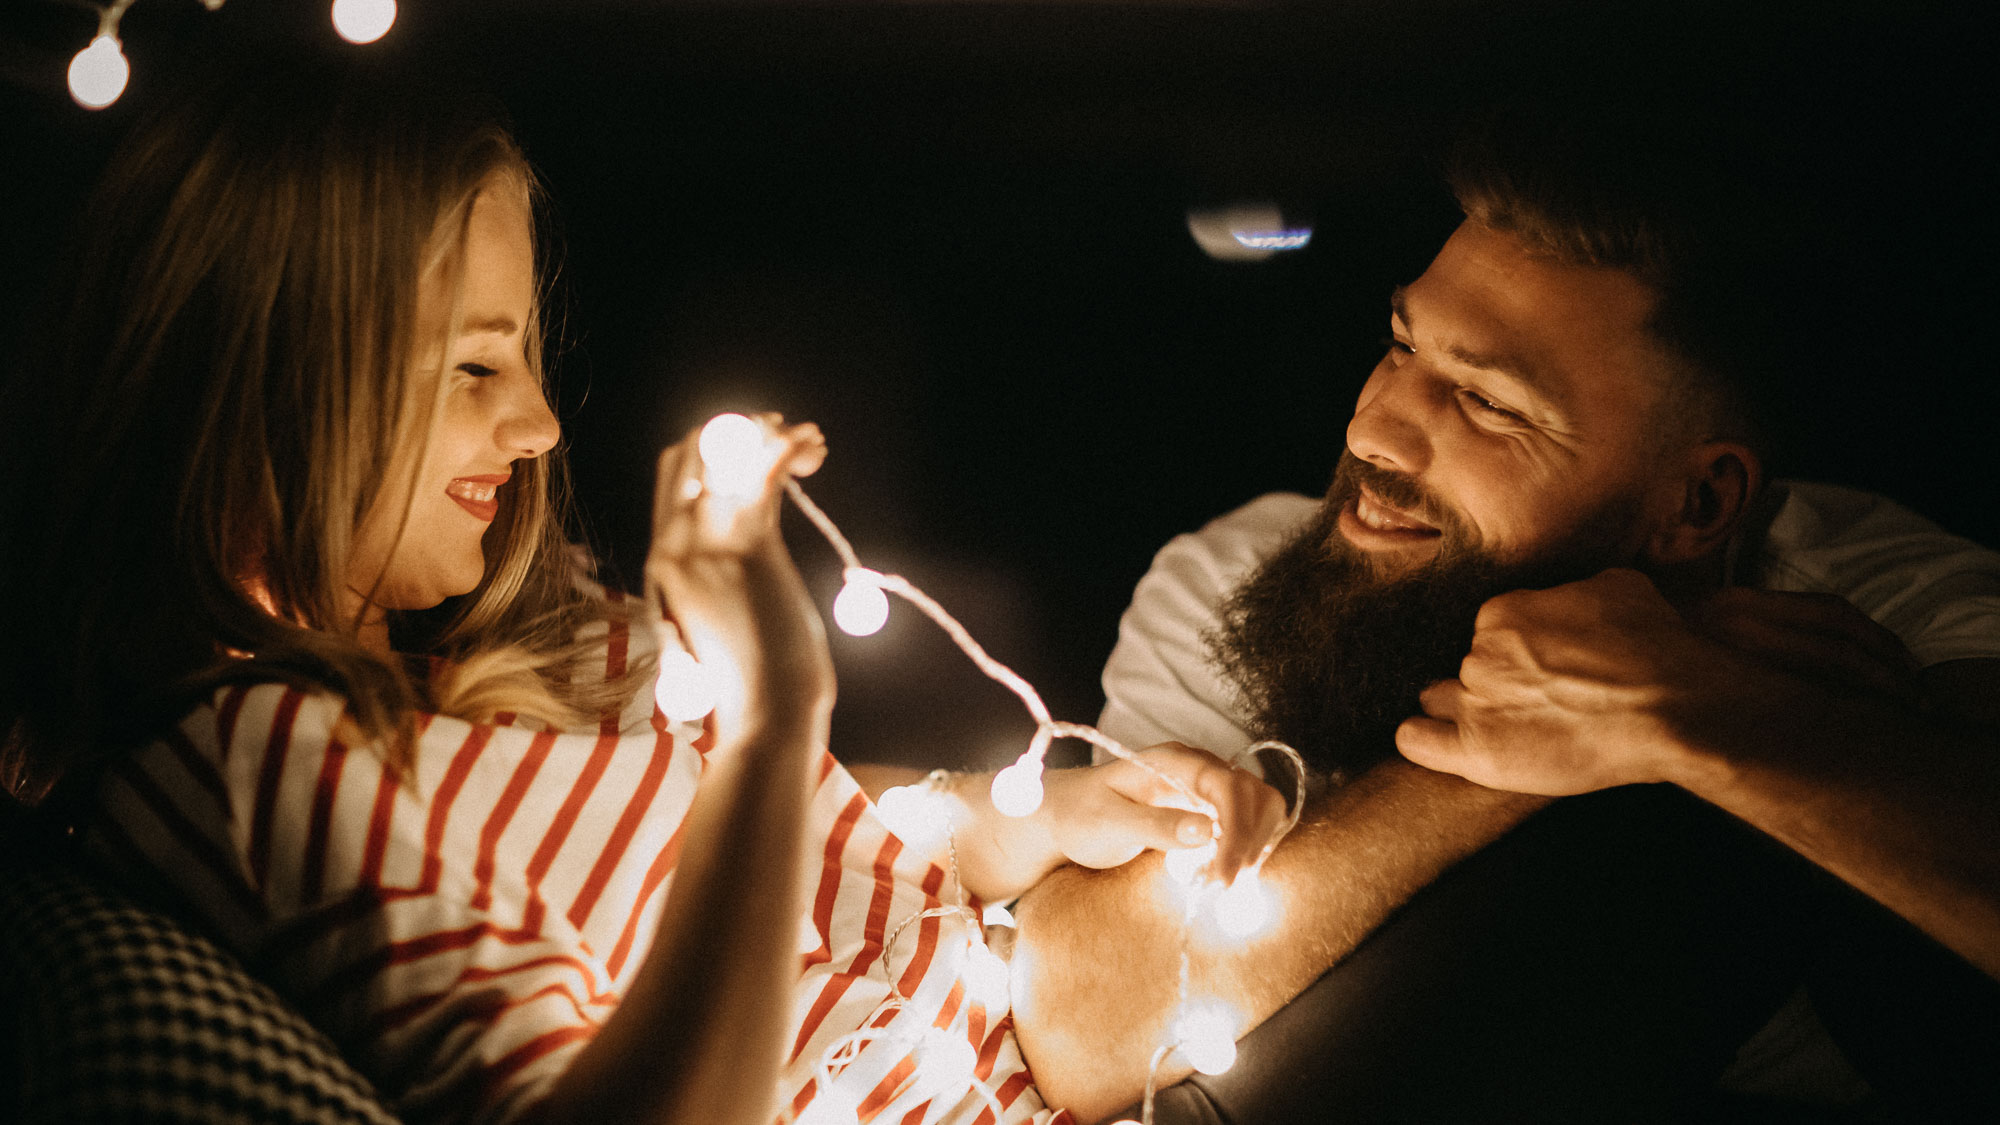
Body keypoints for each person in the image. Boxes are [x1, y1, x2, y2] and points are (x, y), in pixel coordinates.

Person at [0, 66, 1286, 1125]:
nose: (540, 423)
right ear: (279, 379)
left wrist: (1037, 816)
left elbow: (817, 865)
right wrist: (779, 712)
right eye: (473, 369)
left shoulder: (510, 614)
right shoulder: (255, 771)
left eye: (530, 357)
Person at [1006, 113, 2000, 1121]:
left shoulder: (1880, 601)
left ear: (1694, 507)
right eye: (1400, 344)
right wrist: (1518, 758)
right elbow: (1082, 1035)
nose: (1371, 429)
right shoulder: (1239, 574)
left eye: (1488, 404)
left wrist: (1714, 720)